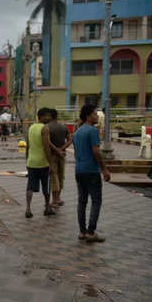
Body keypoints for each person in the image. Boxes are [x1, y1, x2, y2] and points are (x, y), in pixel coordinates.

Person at [73, 104, 111, 242]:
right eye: (95, 114)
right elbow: (96, 151)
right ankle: (91, 231)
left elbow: (76, 153)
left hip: (79, 170)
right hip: (91, 171)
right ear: (88, 116)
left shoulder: (77, 132)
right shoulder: (92, 131)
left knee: (82, 201)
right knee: (96, 201)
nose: (97, 116)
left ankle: (82, 232)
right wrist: (104, 169)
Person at [25, 108, 54, 219]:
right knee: (46, 187)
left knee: (30, 186)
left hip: (31, 162)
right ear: (41, 116)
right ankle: (47, 208)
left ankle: (28, 209)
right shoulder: (44, 128)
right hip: (42, 163)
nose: (49, 118)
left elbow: (28, 146)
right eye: (47, 116)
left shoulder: (31, 127)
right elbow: (46, 147)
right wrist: (50, 162)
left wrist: (27, 159)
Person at [46, 108, 72, 207]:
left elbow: (47, 141)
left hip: (52, 155)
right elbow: (70, 140)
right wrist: (61, 149)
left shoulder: (47, 127)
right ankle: (59, 198)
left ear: (50, 116)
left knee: (54, 176)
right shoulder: (63, 127)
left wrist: (56, 150)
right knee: (61, 176)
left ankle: (54, 200)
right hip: (62, 155)